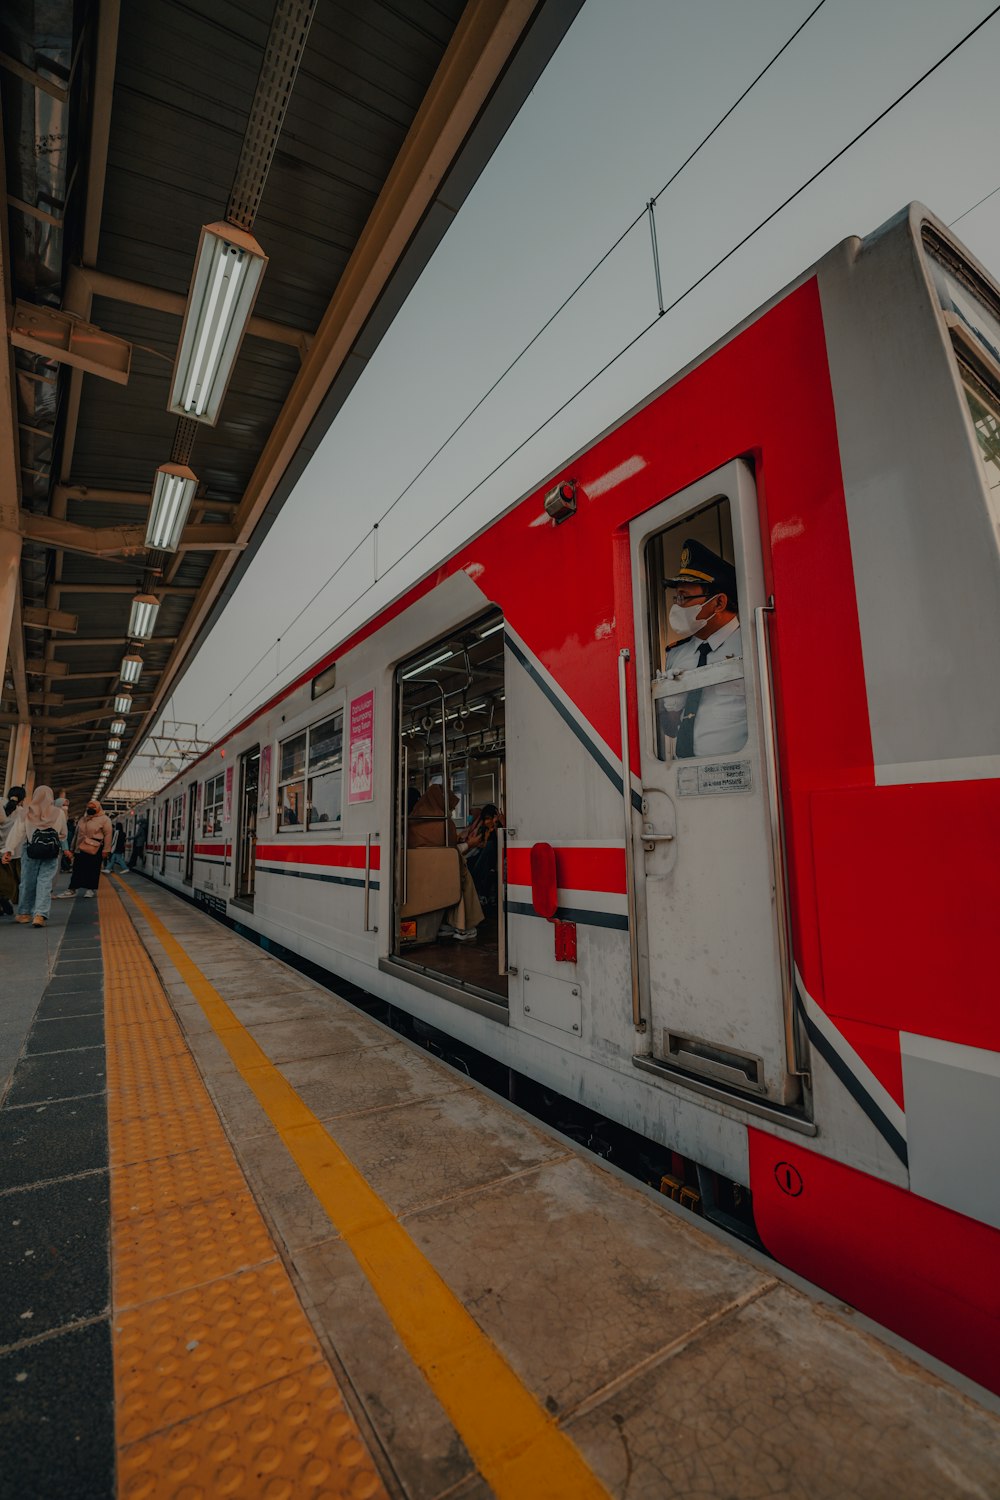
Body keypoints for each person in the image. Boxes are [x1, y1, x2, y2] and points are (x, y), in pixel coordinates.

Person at [661, 538, 747, 759]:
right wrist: (671, 702)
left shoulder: (750, 644)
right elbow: (670, 730)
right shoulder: (676, 654)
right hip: (686, 775)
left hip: (740, 773)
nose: (677, 605)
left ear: (718, 603)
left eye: (685, 598)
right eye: (677, 597)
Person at [408, 783, 484, 942]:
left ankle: (445, 923)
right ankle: (464, 926)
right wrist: (470, 844)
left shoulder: (412, 821)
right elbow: (451, 852)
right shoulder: (444, 823)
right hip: (441, 871)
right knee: (462, 872)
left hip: (417, 875)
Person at [1, 785, 68, 926]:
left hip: (30, 850)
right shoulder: (59, 813)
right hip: (50, 851)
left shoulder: (26, 812)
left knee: (27, 882)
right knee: (45, 882)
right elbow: (63, 834)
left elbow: (17, 833)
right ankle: (40, 914)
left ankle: (24, 913)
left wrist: (8, 850)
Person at [62, 798, 113, 899]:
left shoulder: (105, 819)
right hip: (80, 848)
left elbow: (108, 835)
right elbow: (76, 835)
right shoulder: (83, 819)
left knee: (93, 869)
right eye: (89, 807)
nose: (90, 809)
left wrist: (106, 850)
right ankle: (72, 888)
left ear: (98, 808)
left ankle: (90, 889)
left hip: (95, 849)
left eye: (93, 808)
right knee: (77, 869)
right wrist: (72, 848)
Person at [465, 803, 502, 911]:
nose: (487, 822)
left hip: (492, 858)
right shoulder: (484, 830)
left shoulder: (497, 831)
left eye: (489, 819)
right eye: (485, 819)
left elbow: (495, 846)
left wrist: (495, 825)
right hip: (482, 857)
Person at [0, 785, 26, 915]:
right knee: (16, 881)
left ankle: (4, 903)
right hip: (16, 853)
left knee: (3, 880)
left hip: (1, 851)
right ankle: (9, 903)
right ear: (22, 799)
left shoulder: (0, 805)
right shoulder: (23, 812)